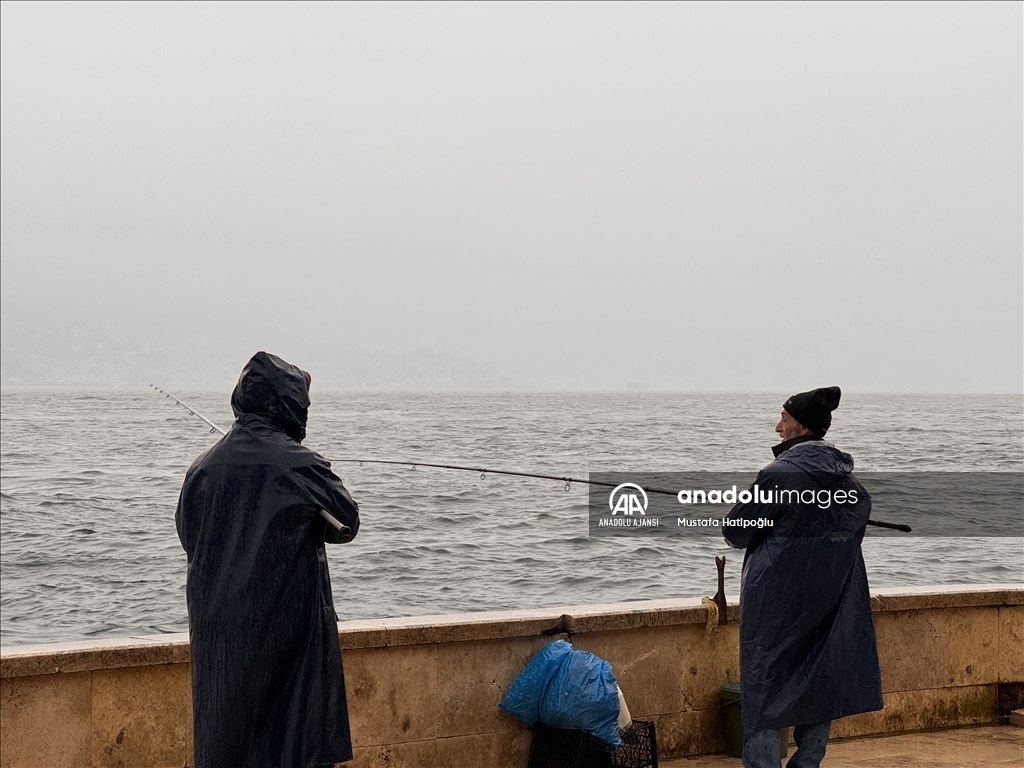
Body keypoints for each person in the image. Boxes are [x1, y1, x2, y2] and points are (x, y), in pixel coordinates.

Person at [176, 351, 361, 768]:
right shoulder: (301, 463)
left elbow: (189, 536)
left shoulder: (202, 466)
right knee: (292, 744)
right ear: (290, 404)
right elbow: (346, 523)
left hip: (219, 638)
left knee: (229, 744)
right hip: (286, 635)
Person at [723, 386, 882, 768]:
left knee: (765, 691)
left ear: (802, 428)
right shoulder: (852, 486)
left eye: (784, 418)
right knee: (817, 686)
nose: (777, 427)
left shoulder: (778, 475)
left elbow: (737, 531)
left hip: (776, 609)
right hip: (828, 606)